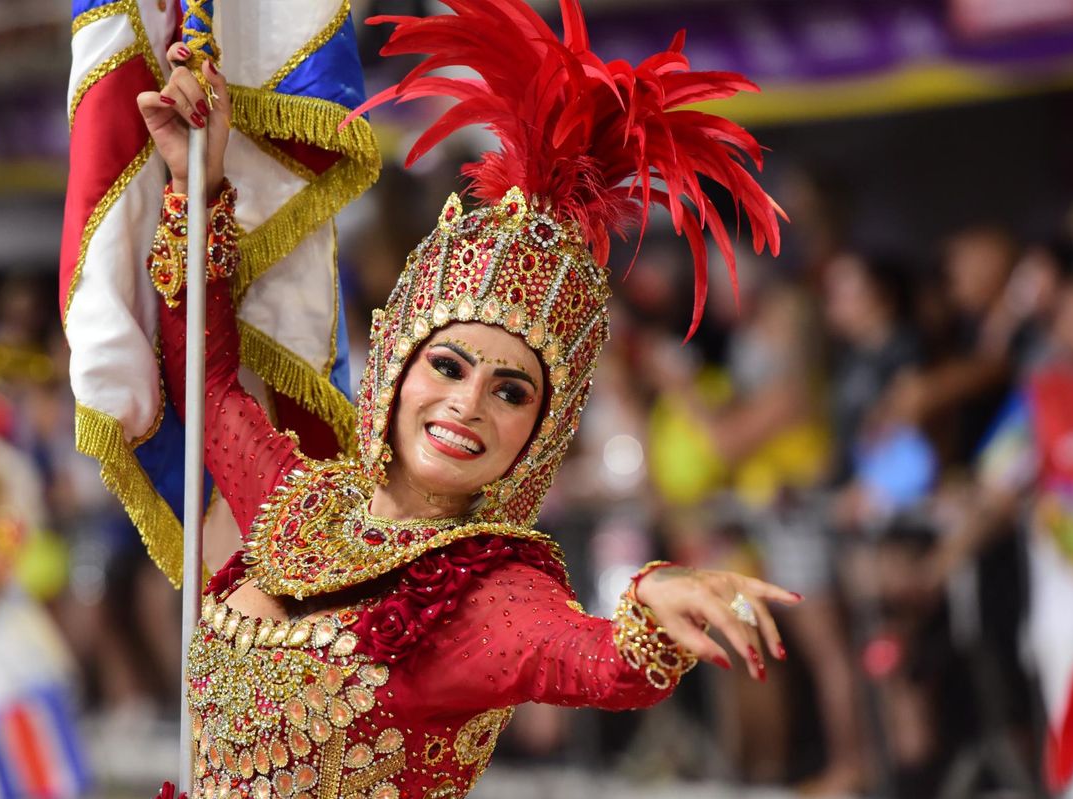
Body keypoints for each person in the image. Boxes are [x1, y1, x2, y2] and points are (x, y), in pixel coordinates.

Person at [134, 2, 799, 796]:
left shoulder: (485, 593)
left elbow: (596, 659)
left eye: (511, 389)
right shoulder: (295, 503)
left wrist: (650, 612)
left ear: (541, 432)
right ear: (396, 366)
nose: (469, 403)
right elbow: (207, 381)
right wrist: (195, 184)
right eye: (448, 365)